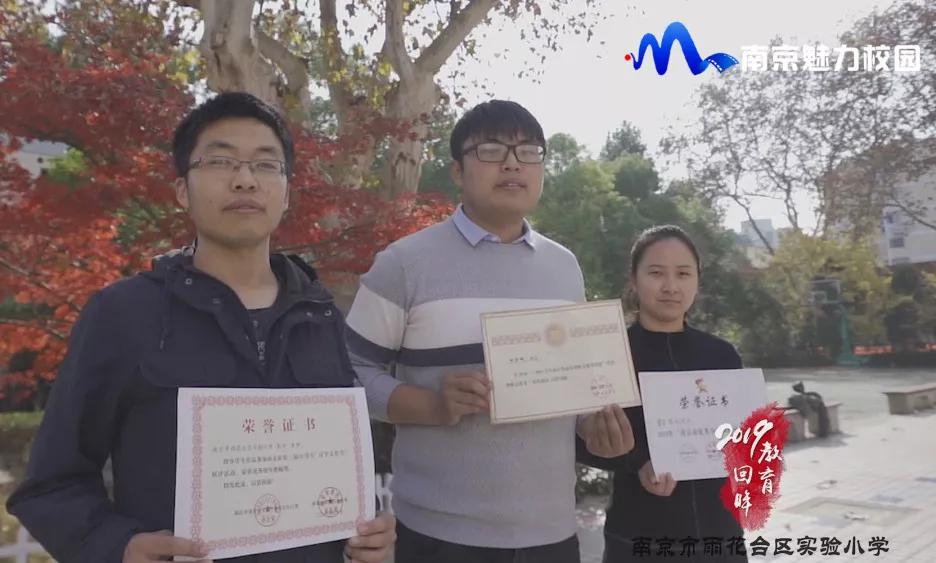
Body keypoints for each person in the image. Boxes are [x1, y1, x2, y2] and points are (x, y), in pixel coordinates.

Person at [7, 92, 395, 563]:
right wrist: (118, 547)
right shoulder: (124, 313)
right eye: (220, 161)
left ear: (287, 192)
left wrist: (369, 532)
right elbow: (50, 484)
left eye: (266, 165)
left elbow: (335, 466)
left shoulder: (321, 315)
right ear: (182, 190)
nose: (245, 180)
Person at [344, 99, 634, 563]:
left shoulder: (564, 267)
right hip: (437, 535)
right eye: (493, 150)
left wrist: (594, 429)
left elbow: (570, 387)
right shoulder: (405, 263)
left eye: (529, 152)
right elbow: (349, 373)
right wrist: (433, 404)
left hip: (553, 533)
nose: (513, 163)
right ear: (458, 171)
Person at [577, 225, 748, 563]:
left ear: (697, 279)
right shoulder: (609, 354)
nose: (671, 286)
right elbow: (579, 439)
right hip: (641, 539)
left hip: (721, 537)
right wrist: (638, 462)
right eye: (656, 273)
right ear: (634, 279)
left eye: (683, 274)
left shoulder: (721, 355)